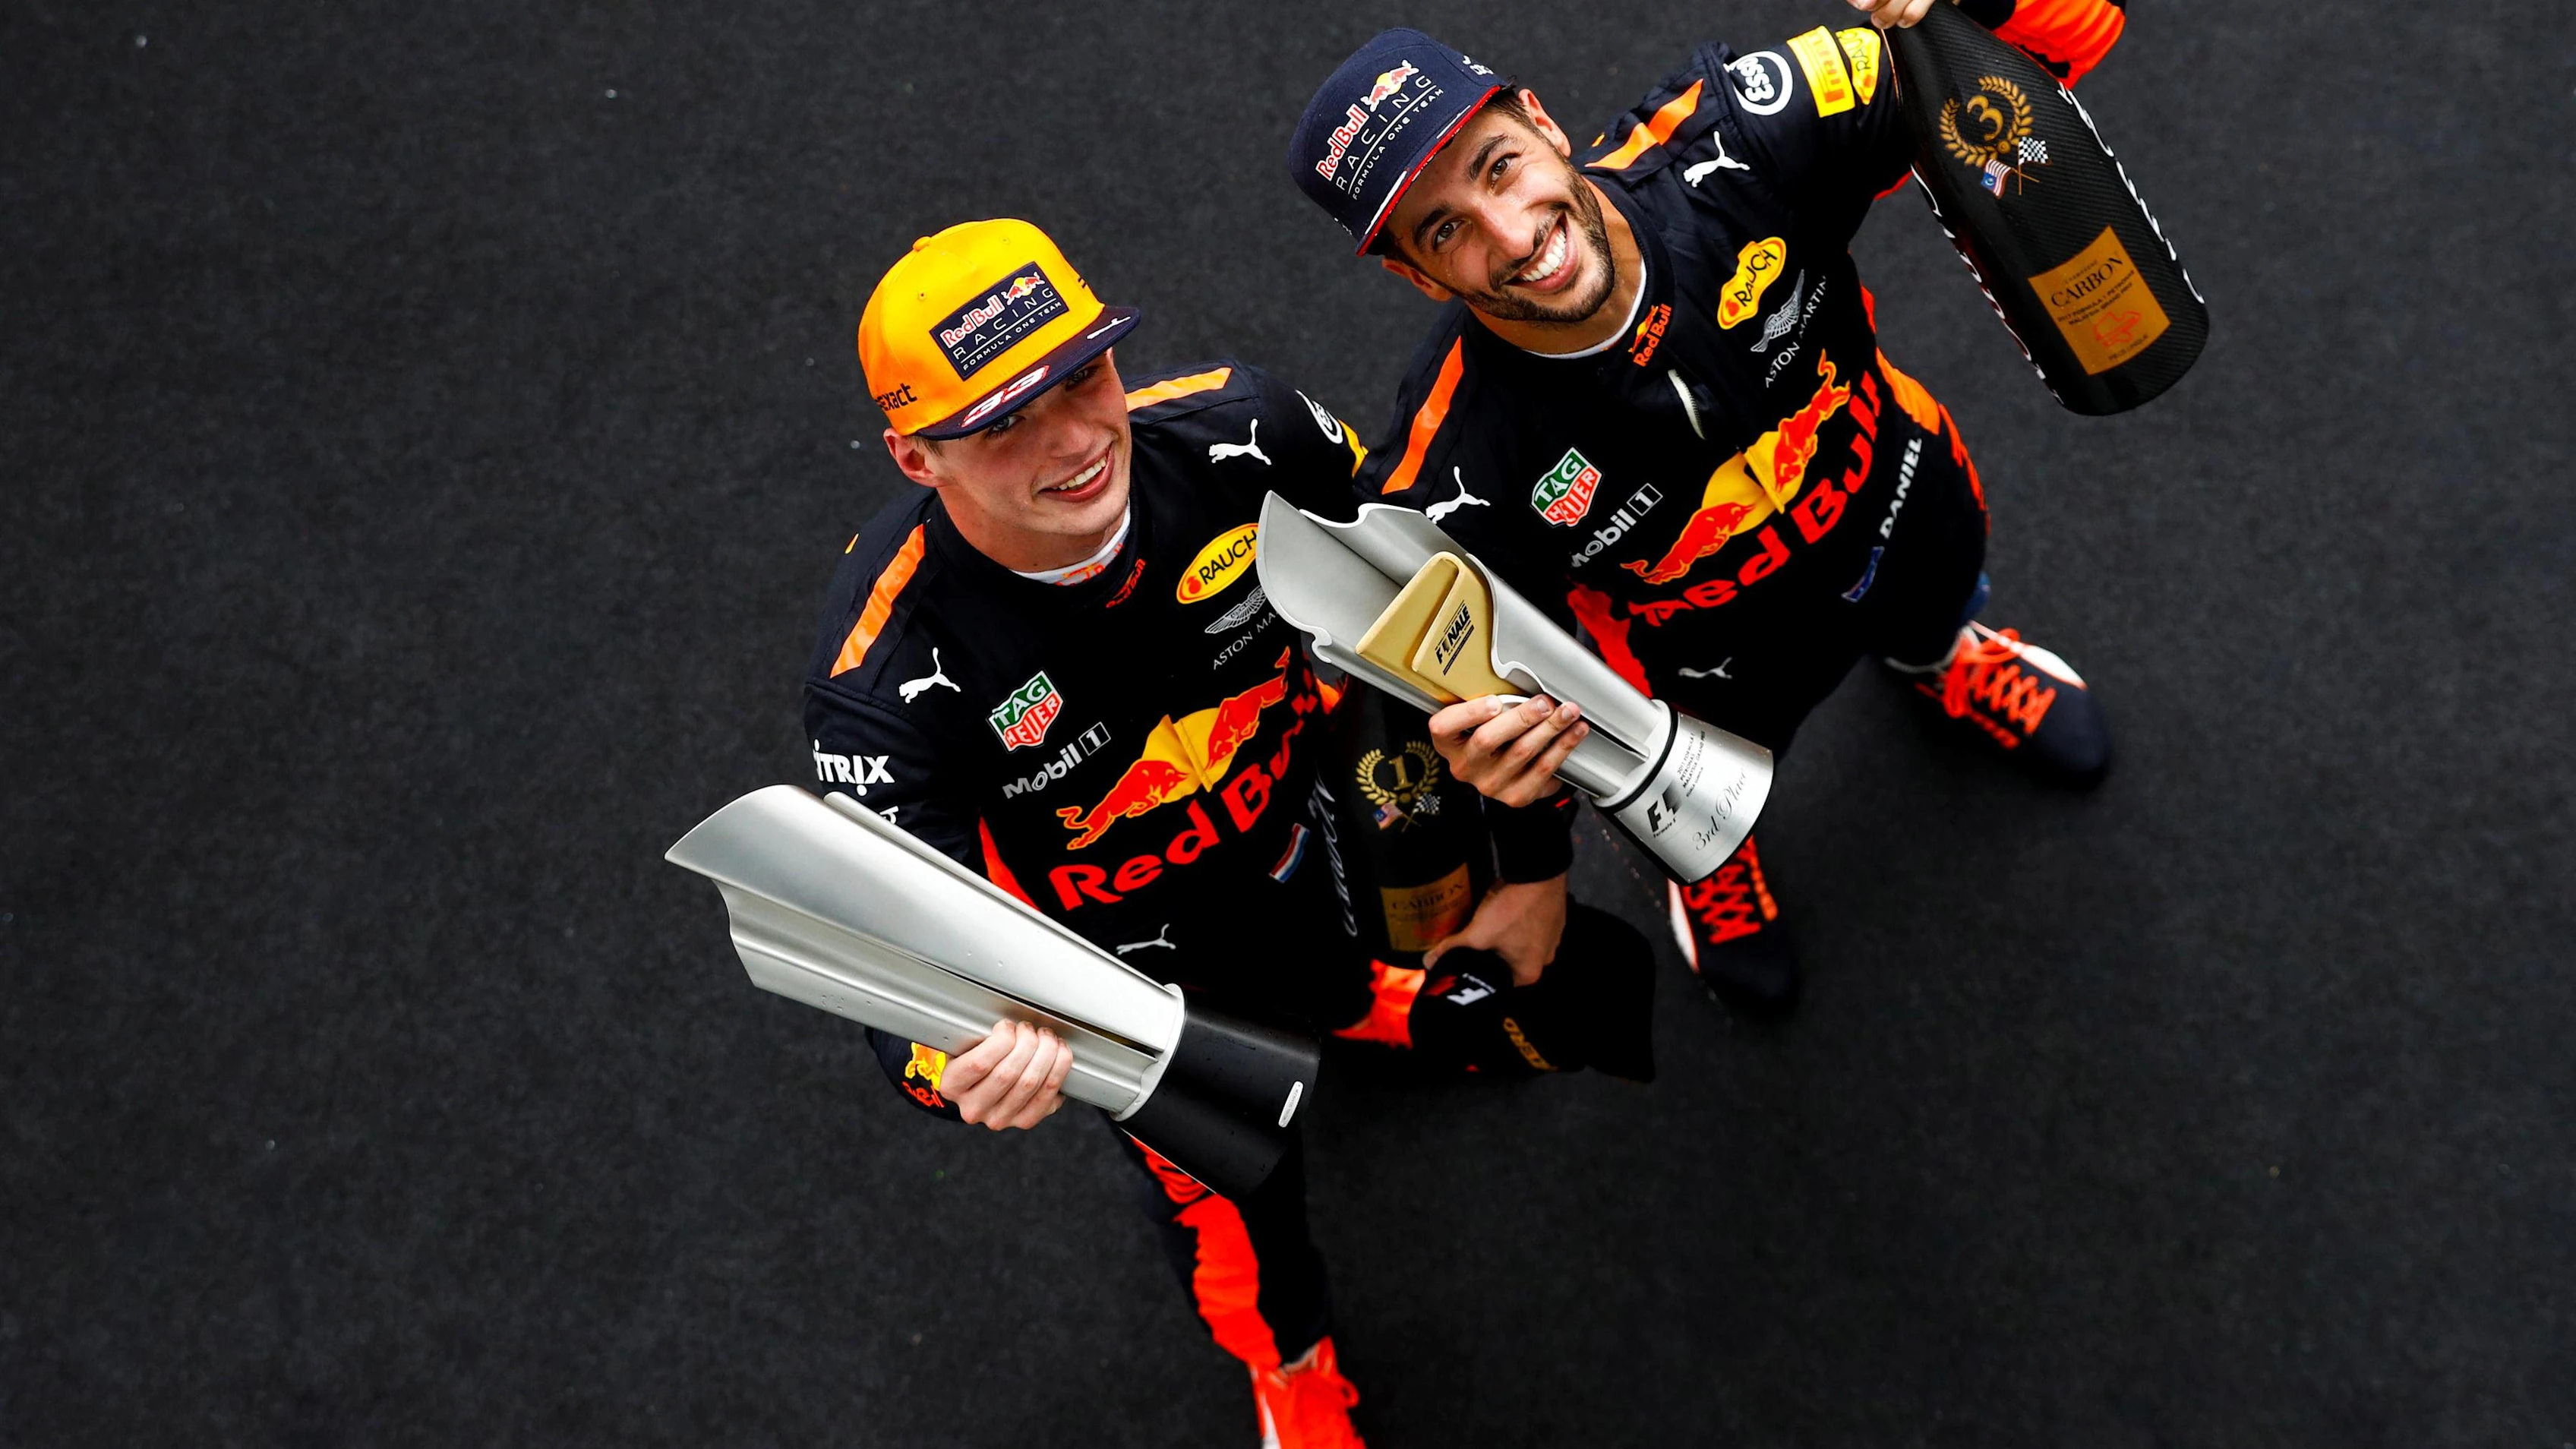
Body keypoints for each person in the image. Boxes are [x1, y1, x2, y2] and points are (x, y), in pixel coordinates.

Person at [804, 217, 1652, 1447]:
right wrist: (957, 1067)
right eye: (1000, 427)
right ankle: (1289, 1366)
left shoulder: (1252, 432)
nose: (1077, 442)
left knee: (1396, 959)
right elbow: (890, 966)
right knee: (1232, 1191)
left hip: (1308, 841)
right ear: (914, 458)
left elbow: (1448, 604)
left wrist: (1526, 832)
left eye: (1082, 376)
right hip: (1128, 980)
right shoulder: (881, 680)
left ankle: (1371, 1000)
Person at [1284, 0, 2131, 1014]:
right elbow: (1495, 708)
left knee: (1938, 606)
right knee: (1683, 790)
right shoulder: (1447, 474)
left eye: (1499, 165)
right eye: (1446, 231)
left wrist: (1972, 7)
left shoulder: (1739, 133)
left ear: (1545, 123)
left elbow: (2056, 55)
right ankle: (1715, 860)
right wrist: (1525, 842)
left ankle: (1946, 658)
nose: (1514, 236)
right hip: (1709, 677)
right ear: (1417, 276)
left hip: (1907, 499)